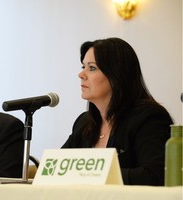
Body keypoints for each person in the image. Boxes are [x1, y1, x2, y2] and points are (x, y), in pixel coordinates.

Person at [62, 37, 173, 186]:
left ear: (116, 75)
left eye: (92, 68)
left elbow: (155, 175)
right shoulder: (84, 123)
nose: (81, 74)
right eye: (83, 67)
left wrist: (93, 175)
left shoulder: (149, 118)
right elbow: (59, 169)